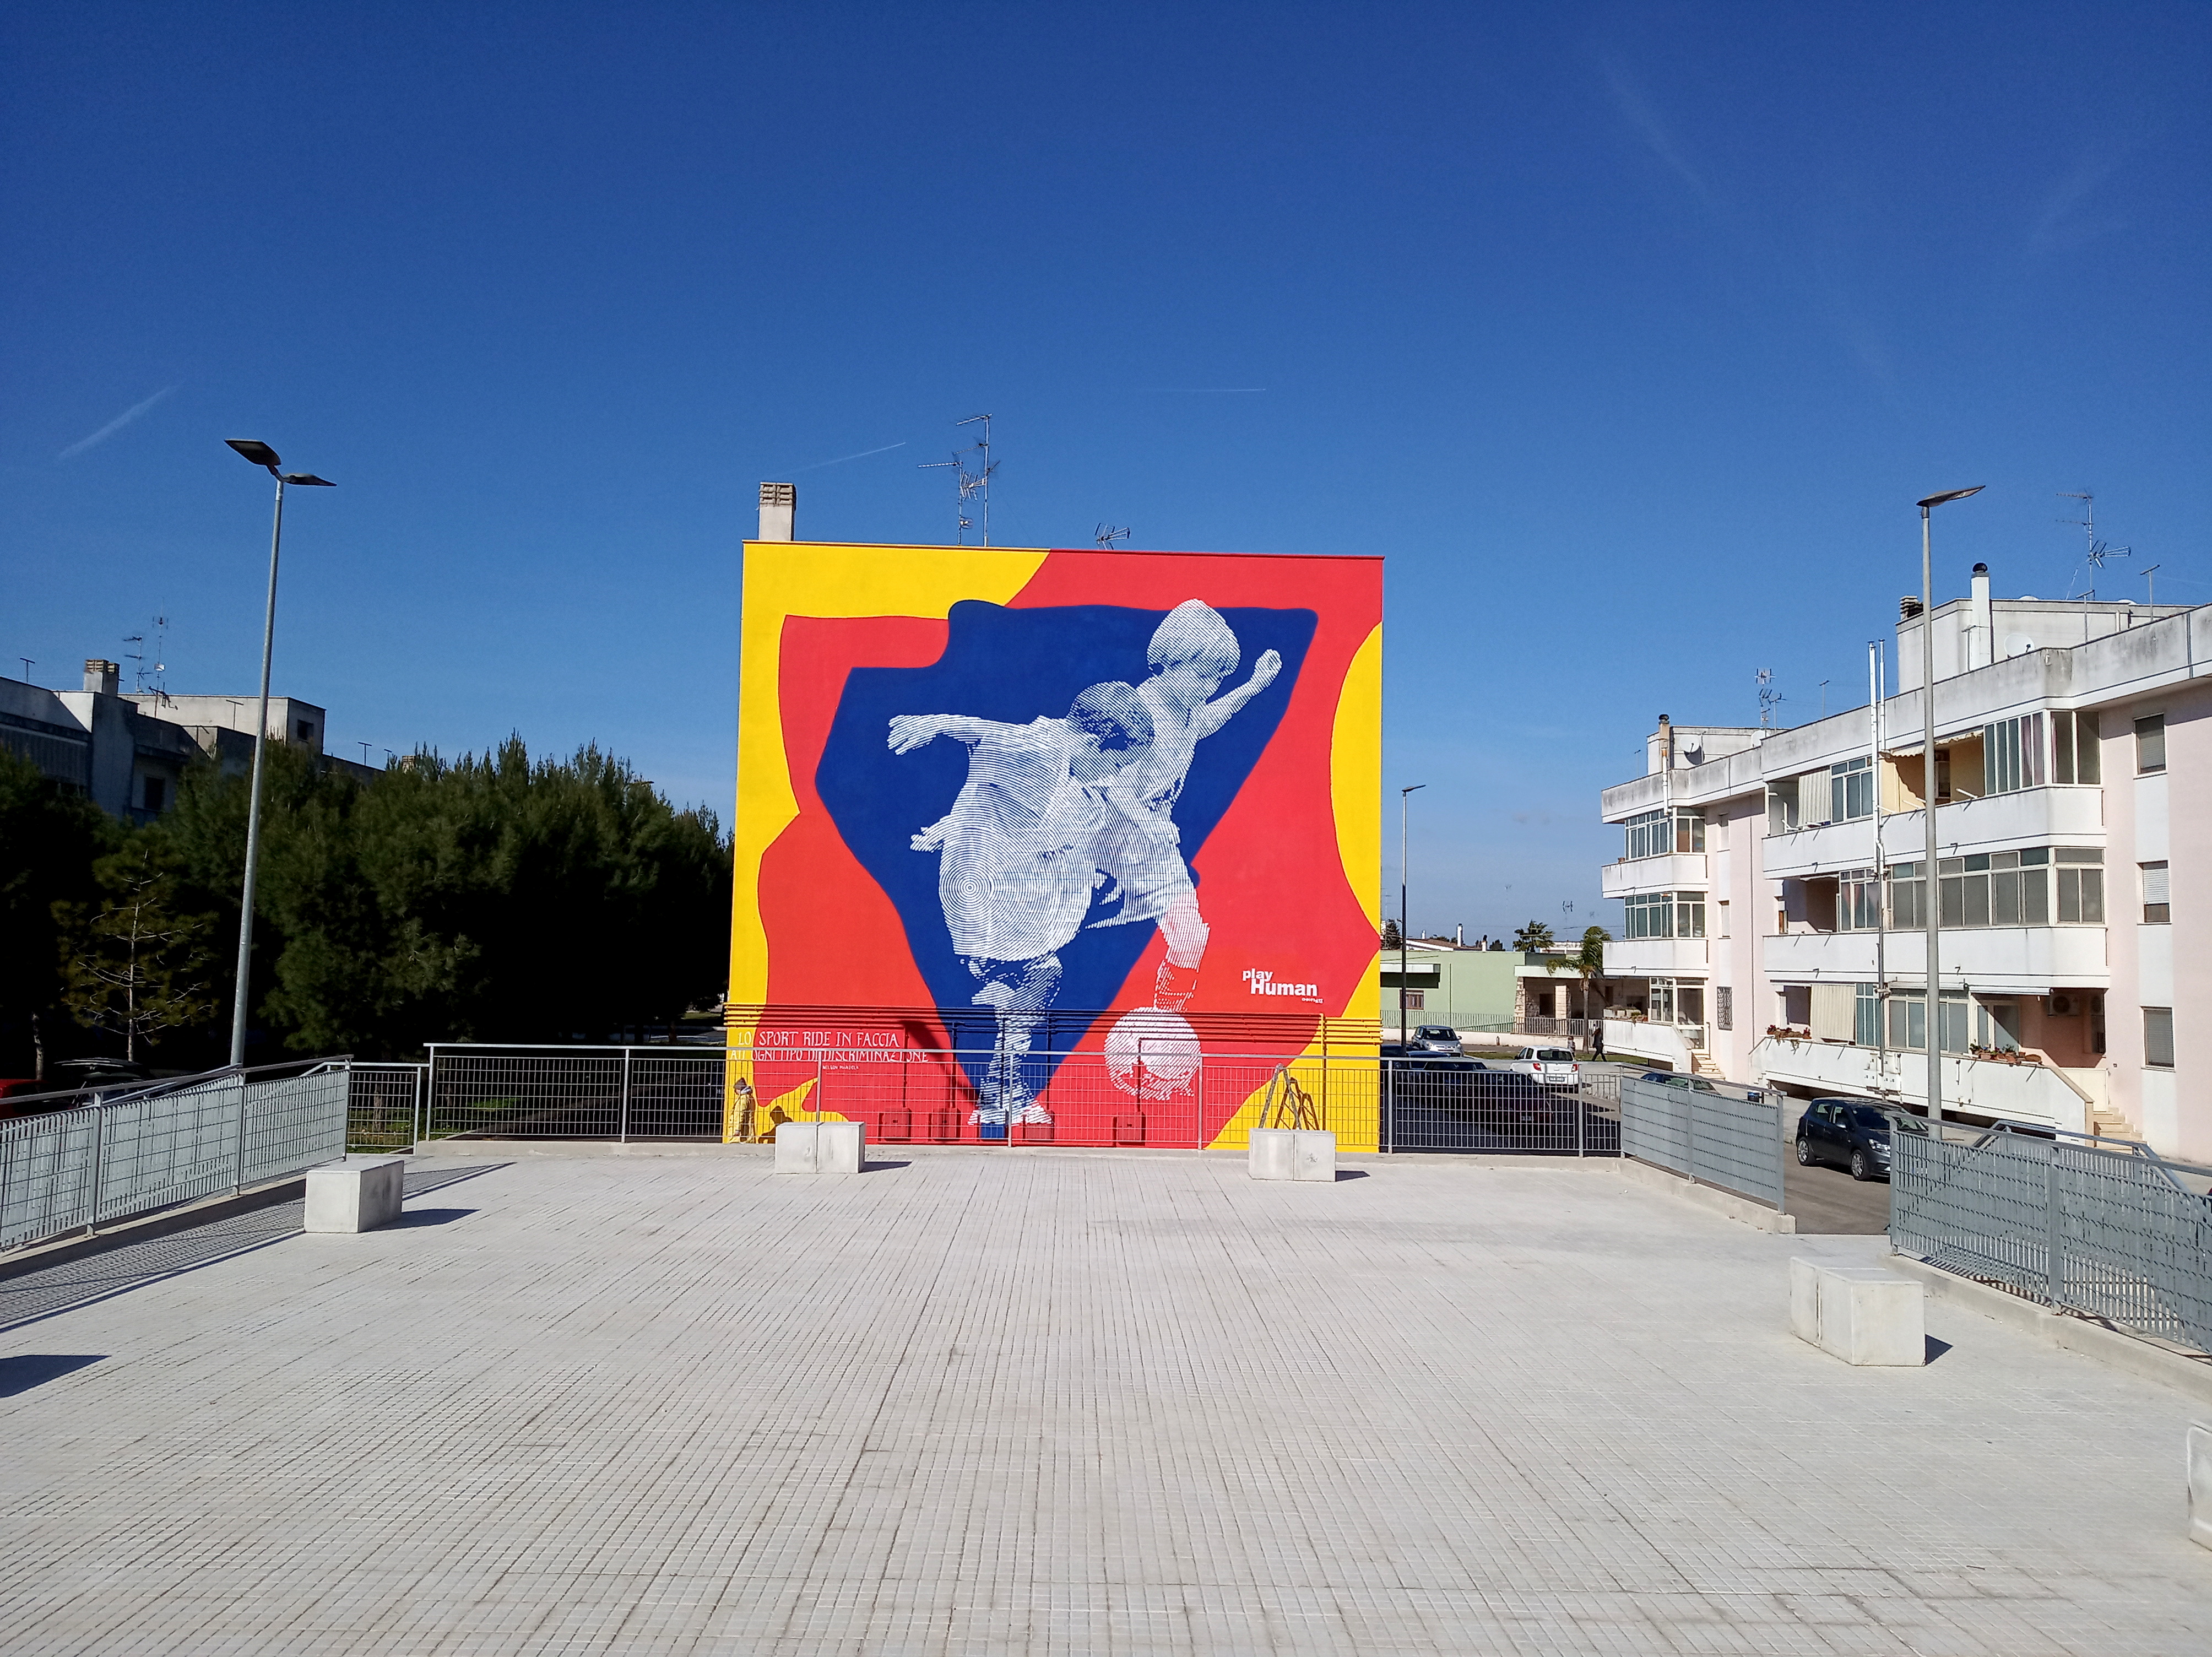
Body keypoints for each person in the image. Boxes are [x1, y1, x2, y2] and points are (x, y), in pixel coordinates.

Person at [889, 682, 1154, 1130]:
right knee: (1042, 977)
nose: (1110, 772)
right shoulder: (1045, 750)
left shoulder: (1057, 766)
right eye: (1116, 761)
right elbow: (994, 735)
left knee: (1027, 995)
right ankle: (1001, 1083)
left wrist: (954, 825)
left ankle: (1001, 1089)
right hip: (992, 909)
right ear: (1098, 740)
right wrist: (935, 724)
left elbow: (1000, 796)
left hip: (993, 900)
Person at [1087, 600, 1281, 1010]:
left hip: (1150, 844)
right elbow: (1105, 782)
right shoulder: (1136, 710)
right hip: (1106, 837)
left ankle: (1166, 1015)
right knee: (1071, 920)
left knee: (1190, 935)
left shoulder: (1184, 713)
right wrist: (1143, 821)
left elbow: (1207, 721)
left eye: (1218, 679)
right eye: (1207, 675)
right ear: (1175, 661)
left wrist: (1253, 685)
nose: (1210, 688)